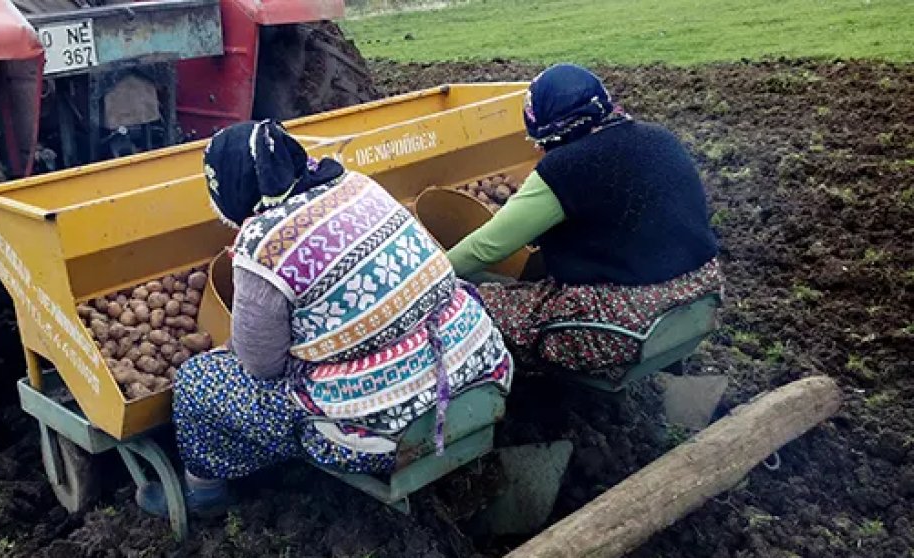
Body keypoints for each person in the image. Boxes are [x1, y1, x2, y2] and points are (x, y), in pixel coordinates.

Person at [136, 120, 514, 518]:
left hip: (386, 429)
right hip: (479, 368)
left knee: (199, 382)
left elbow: (261, 366)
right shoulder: (359, 185)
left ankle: (203, 492)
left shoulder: (263, 244)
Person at [446, 63, 723, 377]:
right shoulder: (660, 138)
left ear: (551, 131)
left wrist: (430, 280)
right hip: (701, 294)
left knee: (471, 306)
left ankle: (526, 399)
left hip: (631, 322)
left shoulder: (566, 167)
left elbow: (486, 249)